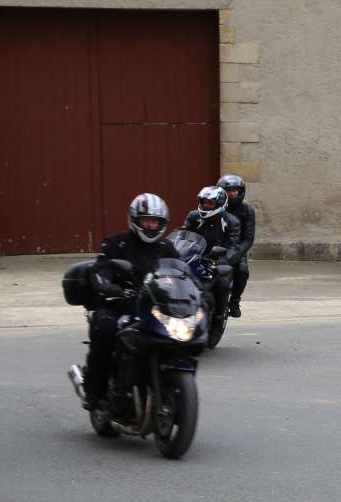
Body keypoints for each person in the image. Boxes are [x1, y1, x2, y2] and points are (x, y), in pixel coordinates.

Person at [77, 193, 179, 411]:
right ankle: (94, 391)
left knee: (180, 335)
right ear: (134, 219)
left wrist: (198, 291)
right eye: (146, 220)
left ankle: (173, 385)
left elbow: (182, 274)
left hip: (154, 307)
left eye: (155, 221)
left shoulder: (167, 248)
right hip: (119, 304)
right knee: (104, 329)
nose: (150, 225)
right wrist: (107, 286)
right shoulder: (116, 243)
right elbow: (101, 269)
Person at [183, 185, 240, 316]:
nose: (206, 205)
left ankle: (219, 315)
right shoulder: (193, 216)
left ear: (220, 204)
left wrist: (222, 260)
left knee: (224, 277)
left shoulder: (232, 222)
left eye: (210, 203)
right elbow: (182, 234)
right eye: (204, 202)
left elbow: (233, 247)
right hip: (194, 257)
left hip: (216, 261)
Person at [218, 173, 255, 317]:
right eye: (229, 190)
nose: (232, 193)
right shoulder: (216, 206)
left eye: (235, 190)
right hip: (216, 246)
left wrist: (235, 254)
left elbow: (248, 239)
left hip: (237, 248)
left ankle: (234, 301)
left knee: (242, 271)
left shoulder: (247, 211)